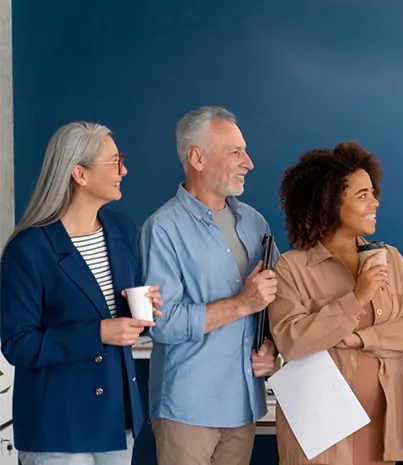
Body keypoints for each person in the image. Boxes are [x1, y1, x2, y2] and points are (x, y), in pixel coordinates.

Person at [1, 122, 163, 464]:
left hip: (117, 417)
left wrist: (142, 314)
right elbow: (19, 344)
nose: (124, 170)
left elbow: (117, 315)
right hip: (57, 424)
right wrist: (99, 332)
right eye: (114, 161)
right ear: (80, 174)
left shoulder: (121, 228)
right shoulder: (28, 249)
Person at [267, 141, 403, 464]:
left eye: (373, 192)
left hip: (382, 431)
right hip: (321, 435)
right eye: (363, 195)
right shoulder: (291, 267)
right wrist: (356, 298)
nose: (375, 203)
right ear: (330, 203)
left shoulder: (392, 259)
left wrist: (358, 338)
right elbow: (292, 341)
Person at [139, 106, 279, 465]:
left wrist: (271, 345)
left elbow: (277, 298)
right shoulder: (163, 229)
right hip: (188, 411)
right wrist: (241, 304)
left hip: (244, 404)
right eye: (235, 152)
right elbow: (164, 324)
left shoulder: (254, 223)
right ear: (197, 158)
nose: (248, 162)